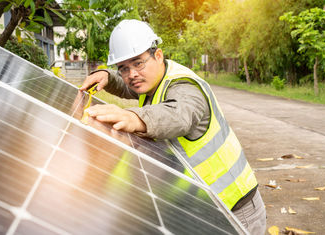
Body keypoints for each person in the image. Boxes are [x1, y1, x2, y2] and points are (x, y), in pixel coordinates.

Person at [80, 19, 266, 234]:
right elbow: (129, 87)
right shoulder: (153, 82)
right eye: (123, 68)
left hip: (235, 207)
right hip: (205, 207)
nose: (132, 74)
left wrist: (134, 118)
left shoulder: (185, 87)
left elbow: (179, 115)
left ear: (158, 55)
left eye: (138, 63)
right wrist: (107, 76)